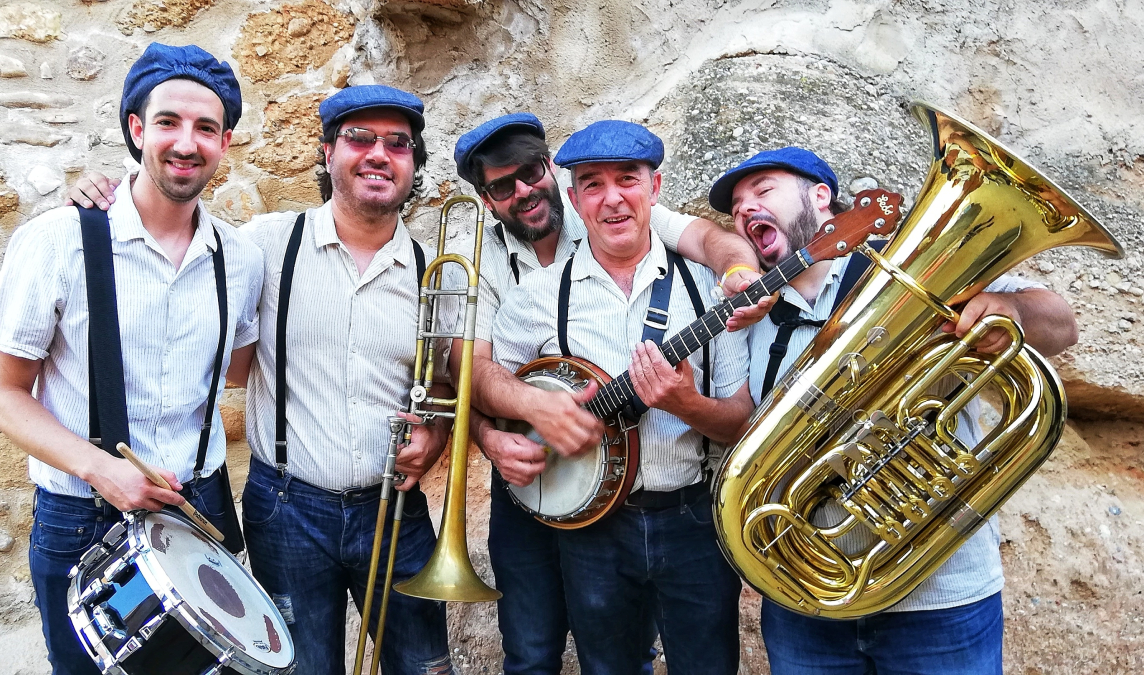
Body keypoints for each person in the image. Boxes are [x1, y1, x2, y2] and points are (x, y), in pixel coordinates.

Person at [66, 85, 456, 675]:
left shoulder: (436, 273)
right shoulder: (265, 245)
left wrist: (440, 429)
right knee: (298, 669)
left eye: (398, 144)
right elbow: (176, 231)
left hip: (395, 513)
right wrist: (105, 192)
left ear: (413, 164)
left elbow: (448, 383)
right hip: (287, 510)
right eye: (359, 138)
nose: (380, 153)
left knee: (424, 665)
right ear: (328, 154)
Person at [708, 147, 1080, 675]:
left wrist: (1011, 310)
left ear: (820, 197)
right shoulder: (750, 313)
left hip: (943, 597)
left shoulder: (917, 269)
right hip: (807, 597)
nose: (746, 209)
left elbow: (1063, 326)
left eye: (762, 191)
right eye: (737, 206)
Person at [0, 43, 263, 675]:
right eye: (168, 122)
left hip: (199, 506)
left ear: (224, 143)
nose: (186, 143)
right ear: (136, 130)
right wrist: (99, 469)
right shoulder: (58, 240)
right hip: (82, 516)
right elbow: (1, 393)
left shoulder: (239, 258)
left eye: (206, 128)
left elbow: (239, 368)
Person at [447, 113, 760, 675]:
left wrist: (738, 271)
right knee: (546, 649)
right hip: (576, 512)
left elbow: (713, 240)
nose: (611, 198)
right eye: (501, 185)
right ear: (487, 198)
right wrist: (503, 428)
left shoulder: (693, 280)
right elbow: (475, 371)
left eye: (530, 171)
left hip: (688, 516)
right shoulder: (506, 275)